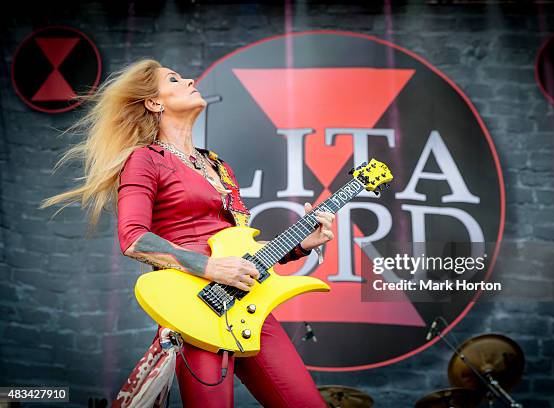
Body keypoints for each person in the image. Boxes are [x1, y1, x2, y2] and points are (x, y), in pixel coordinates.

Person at [41, 59, 334, 407]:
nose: (190, 79)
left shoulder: (218, 166)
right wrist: (208, 267)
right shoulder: (145, 159)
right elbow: (133, 237)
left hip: (248, 305)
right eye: (175, 79)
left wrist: (301, 244)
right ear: (154, 102)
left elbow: (241, 249)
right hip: (194, 310)